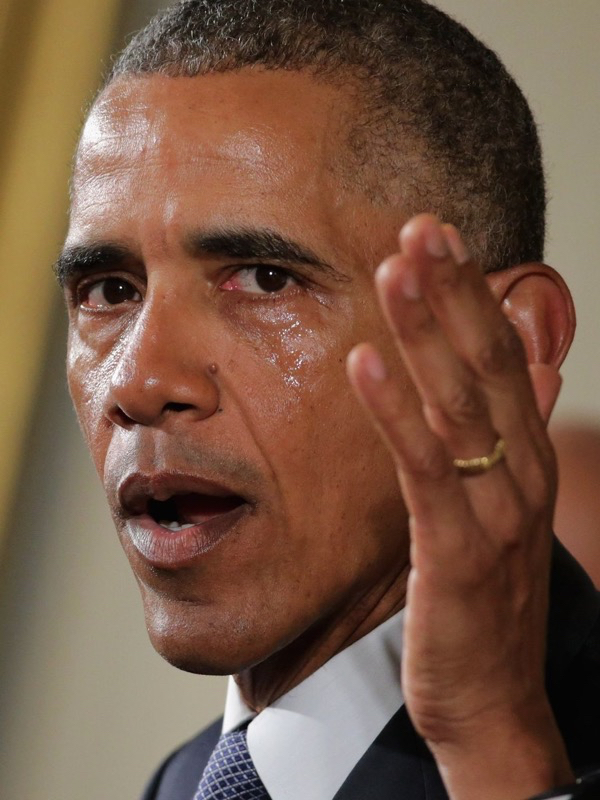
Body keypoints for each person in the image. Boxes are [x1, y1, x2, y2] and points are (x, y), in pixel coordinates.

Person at [54, 0, 600, 797]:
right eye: (109, 289)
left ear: (504, 346)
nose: (139, 383)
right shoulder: (181, 783)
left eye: (264, 278)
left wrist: (493, 741)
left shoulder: (536, 756)